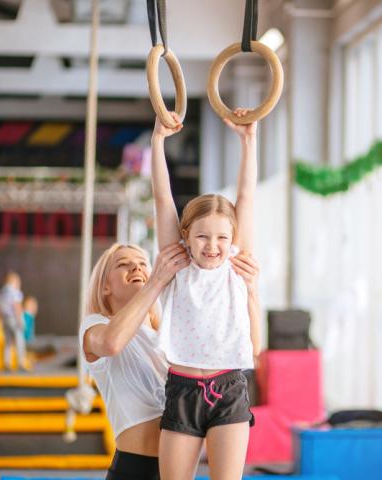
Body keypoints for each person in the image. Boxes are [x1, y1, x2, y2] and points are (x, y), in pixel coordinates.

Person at [81, 242, 259, 480]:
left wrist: (250, 290)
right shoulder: (95, 325)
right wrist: (155, 281)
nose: (136, 268)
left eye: (143, 263)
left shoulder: (169, 336)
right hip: (136, 470)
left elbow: (248, 347)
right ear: (105, 287)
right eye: (123, 265)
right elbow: (111, 343)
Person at [151, 109, 261, 479]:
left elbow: (246, 195)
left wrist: (249, 140)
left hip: (228, 388)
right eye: (201, 236)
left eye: (221, 238)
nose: (212, 246)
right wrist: (157, 141)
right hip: (182, 389)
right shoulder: (178, 263)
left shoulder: (234, 264)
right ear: (185, 236)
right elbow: (163, 200)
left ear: (232, 240)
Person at [0, 271, 28, 371]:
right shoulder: (15, 292)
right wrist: (20, 320)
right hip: (13, 318)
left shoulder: (1, 293)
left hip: (4, 320)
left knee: (7, 342)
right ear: (13, 281)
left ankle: (7, 363)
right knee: (19, 340)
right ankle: (21, 363)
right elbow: (16, 306)